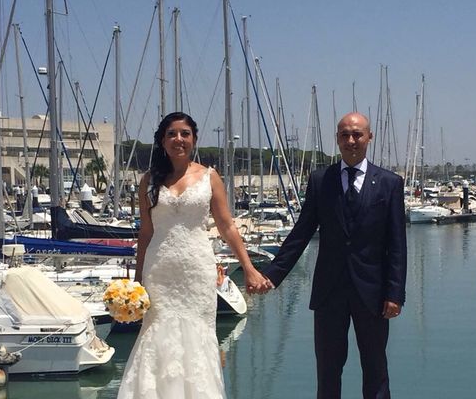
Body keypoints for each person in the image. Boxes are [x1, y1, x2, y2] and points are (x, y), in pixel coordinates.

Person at [118, 112, 269, 399]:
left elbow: (226, 225)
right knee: (157, 335)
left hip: (196, 270)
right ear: (162, 141)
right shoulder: (148, 181)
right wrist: (136, 282)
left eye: (185, 133)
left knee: (198, 338)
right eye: (172, 134)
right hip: (159, 270)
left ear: (194, 140)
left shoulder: (209, 177)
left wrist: (248, 267)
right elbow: (146, 233)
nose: (179, 139)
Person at [263, 112, 407, 399]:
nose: (351, 140)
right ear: (337, 139)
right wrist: (270, 276)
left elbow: (397, 244)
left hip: (374, 294)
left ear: (369, 137)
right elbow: (301, 234)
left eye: (357, 134)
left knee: (376, 370)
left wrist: (395, 293)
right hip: (329, 292)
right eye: (344, 135)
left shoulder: (390, 183)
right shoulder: (320, 180)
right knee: (328, 372)